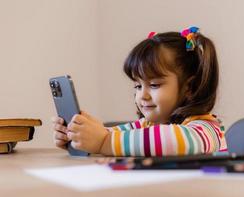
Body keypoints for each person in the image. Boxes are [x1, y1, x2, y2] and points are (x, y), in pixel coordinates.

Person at [52, 26, 227, 156]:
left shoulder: (207, 130)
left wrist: (103, 143)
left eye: (154, 85)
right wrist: (79, 135)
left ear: (190, 87)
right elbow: (107, 134)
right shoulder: (145, 125)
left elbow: (178, 140)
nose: (142, 95)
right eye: (137, 86)